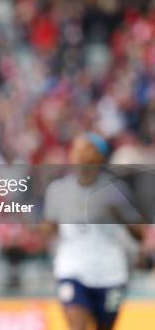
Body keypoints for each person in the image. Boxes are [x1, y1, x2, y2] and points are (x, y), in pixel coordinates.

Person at [42, 133, 145, 330]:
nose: (81, 156)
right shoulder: (58, 190)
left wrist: (119, 216)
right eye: (76, 150)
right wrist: (44, 228)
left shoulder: (116, 190)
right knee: (77, 325)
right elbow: (49, 228)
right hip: (72, 270)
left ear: (100, 157)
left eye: (87, 150)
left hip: (111, 274)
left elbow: (139, 234)